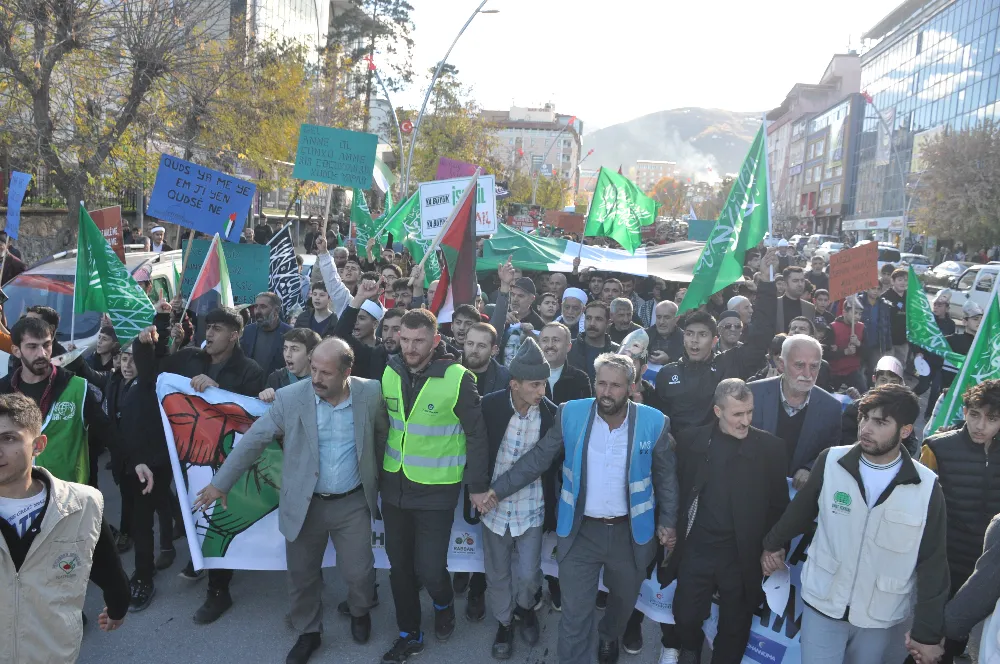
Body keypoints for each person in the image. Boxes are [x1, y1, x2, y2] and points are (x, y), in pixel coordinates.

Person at [194, 338, 386, 663]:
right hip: (305, 502)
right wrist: (220, 483)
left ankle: (359, 611)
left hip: (352, 502)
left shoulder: (370, 394)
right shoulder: (291, 398)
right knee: (302, 575)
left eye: (326, 372)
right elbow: (254, 439)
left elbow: (382, 435)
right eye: (313, 369)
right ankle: (309, 631)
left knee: (360, 573)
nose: (316, 379)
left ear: (347, 372)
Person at [485, 353, 679, 664]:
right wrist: (495, 490)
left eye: (615, 385)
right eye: (601, 383)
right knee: (574, 615)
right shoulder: (571, 413)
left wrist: (668, 521)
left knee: (622, 603)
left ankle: (608, 636)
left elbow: (666, 478)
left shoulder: (654, 422)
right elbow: (539, 458)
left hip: (630, 534)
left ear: (631, 387)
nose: (606, 391)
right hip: (580, 532)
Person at [761, 384, 949, 664]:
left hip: (879, 616)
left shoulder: (926, 487)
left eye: (880, 422)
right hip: (823, 602)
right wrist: (772, 545)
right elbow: (799, 513)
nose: (867, 428)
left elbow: (933, 562)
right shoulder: (831, 461)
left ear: (906, 431)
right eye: (865, 418)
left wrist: (928, 631)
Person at [135, 305, 265, 624]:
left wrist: (218, 393)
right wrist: (149, 336)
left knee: (217, 518)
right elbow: (155, 374)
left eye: (218, 329)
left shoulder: (251, 370)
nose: (209, 333)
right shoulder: (191, 357)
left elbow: (252, 417)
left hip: (225, 461)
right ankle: (199, 556)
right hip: (190, 456)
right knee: (195, 513)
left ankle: (218, 591)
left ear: (234, 336)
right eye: (208, 327)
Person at [377, 309, 491, 663]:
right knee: (399, 568)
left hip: (437, 489)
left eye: (418, 341)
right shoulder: (390, 369)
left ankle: (443, 606)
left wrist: (476, 486)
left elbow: (476, 435)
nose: (409, 347)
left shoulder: (458, 377)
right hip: (393, 484)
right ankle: (409, 633)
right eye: (404, 339)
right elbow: (386, 425)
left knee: (429, 568)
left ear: (435, 340)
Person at [658, 379, 789, 664]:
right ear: (718, 411)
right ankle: (690, 648)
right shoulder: (693, 440)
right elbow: (676, 488)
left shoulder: (771, 449)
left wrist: (774, 545)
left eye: (749, 412)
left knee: (735, 625)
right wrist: (669, 524)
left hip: (743, 554)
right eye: (737, 414)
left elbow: (780, 506)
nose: (745, 421)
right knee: (686, 613)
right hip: (698, 547)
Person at [0, 393, 132, 663]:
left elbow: (109, 569)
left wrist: (118, 607)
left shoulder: (82, 505)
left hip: (52, 654)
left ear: (38, 445)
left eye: (8, 438)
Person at [0, 317, 150, 489]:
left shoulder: (77, 387)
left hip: (68, 493)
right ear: (16, 351)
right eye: (32, 346)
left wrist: (136, 461)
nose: (41, 353)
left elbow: (107, 429)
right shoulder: (4, 391)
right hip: (15, 492)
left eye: (46, 345)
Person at [479, 338, 556, 659]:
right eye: (535, 384)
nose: (542, 391)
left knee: (528, 573)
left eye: (544, 383)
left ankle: (526, 609)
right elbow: (473, 449)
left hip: (531, 506)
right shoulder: (489, 406)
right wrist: (477, 489)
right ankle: (504, 623)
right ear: (514, 384)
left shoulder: (551, 415)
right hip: (490, 508)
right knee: (497, 573)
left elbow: (542, 462)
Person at [655, 248, 779, 433]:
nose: (694, 341)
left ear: (714, 340)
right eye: (689, 334)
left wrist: (767, 283)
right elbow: (658, 421)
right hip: (677, 457)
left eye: (702, 335)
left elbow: (761, 335)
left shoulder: (729, 364)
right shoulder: (667, 374)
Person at [919, 379, 1000, 660]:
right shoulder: (937, 448)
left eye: (991, 418)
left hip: (984, 568)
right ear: (964, 411)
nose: (980, 425)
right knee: (924, 642)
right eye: (974, 414)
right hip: (941, 562)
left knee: (955, 641)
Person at [748, 335, 843, 487]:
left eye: (814, 366)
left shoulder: (831, 407)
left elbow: (831, 450)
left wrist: (810, 468)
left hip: (798, 497)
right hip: (752, 487)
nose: (807, 374)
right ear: (781, 364)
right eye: (799, 365)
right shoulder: (753, 394)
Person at [841, 356, 920, 457]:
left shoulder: (903, 412)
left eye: (893, 382)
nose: (887, 385)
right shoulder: (856, 407)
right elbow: (843, 440)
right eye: (883, 380)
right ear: (874, 379)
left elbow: (910, 445)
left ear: (900, 384)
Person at [915, 289, 955, 420]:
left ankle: (928, 416)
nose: (936, 307)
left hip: (940, 363)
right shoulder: (929, 319)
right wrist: (919, 352)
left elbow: (950, 344)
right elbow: (921, 337)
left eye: (940, 305)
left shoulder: (951, 324)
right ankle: (907, 400)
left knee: (936, 390)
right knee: (922, 386)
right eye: (935, 304)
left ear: (947, 307)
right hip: (927, 360)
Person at [259, 328, 322, 402]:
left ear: (310, 354)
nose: (287, 354)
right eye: (285, 348)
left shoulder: (320, 382)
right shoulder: (275, 378)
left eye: (294, 349)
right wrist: (265, 396)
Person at [539, 321, 592, 406]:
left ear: (568, 347)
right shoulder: (528, 377)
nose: (550, 345)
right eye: (545, 340)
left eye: (555, 340)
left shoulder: (580, 379)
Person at [566, 301, 620, 382]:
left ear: (608, 323)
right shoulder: (568, 349)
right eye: (588, 318)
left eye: (598, 319)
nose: (592, 323)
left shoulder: (618, 352)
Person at [241, 292, 293, 375]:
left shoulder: (290, 333)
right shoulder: (248, 331)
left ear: (276, 310)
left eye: (263, 307)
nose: (257, 311)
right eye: (256, 307)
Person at [828, 295, 866, 393]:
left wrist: (858, 344)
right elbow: (827, 354)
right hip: (835, 371)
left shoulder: (862, 327)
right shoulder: (832, 327)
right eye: (855, 313)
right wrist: (845, 351)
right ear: (844, 312)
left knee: (863, 394)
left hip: (853, 370)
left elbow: (867, 353)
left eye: (860, 314)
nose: (858, 316)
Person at [462, 322, 511, 398]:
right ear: (464, 344)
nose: (474, 350)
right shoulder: (451, 368)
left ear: (493, 350)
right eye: (470, 343)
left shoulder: (504, 378)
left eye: (481, 346)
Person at [880, 268, 909, 365]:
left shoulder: (910, 296)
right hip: (889, 342)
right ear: (892, 281)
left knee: (900, 367)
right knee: (888, 368)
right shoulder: (885, 297)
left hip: (903, 342)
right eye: (900, 280)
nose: (903, 283)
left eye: (905, 280)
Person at [776, 266, 815, 333]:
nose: (800, 284)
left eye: (802, 280)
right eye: (795, 281)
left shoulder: (810, 308)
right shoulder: (774, 304)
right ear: (785, 284)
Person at [647, 300, 684, 367]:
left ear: (677, 318)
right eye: (658, 317)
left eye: (666, 317)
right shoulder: (644, 336)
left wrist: (669, 360)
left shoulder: (685, 339)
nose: (661, 322)